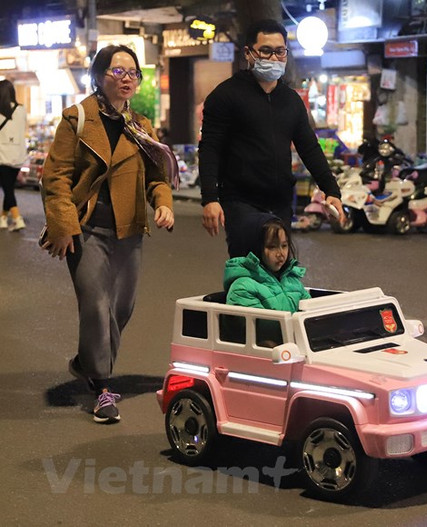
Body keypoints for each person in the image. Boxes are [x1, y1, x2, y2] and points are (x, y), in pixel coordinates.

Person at [40, 44, 175, 424]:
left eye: (133, 72)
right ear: (99, 76)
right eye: (118, 71)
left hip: (129, 229)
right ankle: (102, 388)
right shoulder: (77, 119)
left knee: (122, 309)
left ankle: (85, 361)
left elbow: (156, 177)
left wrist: (162, 202)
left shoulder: (141, 125)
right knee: (96, 308)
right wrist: (64, 227)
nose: (127, 78)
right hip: (86, 231)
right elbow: (56, 178)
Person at [199, 19, 344, 257]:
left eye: (280, 51)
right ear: (249, 53)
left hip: (280, 203)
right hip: (241, 202)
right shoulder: (225, 96)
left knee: (280, 273)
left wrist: (332, 191)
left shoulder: (291, 101)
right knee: (248, 275)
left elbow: (309, 147)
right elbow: (210, 148)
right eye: (266, 51)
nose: (274, 58)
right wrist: (210, 198)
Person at [223, 212, 310, 312]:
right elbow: (265, 325)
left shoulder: (293, 281)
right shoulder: (242, 288)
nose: (281, 253)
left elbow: (312, 314)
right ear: (255, 248)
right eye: (272, 247)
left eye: (284, 246)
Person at [0, 79, 28, 232]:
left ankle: (17, 219)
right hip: (18, 156)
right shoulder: (21, 109)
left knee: (8, 189)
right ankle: (3, 218)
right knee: (8, 187)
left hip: (2, 157)